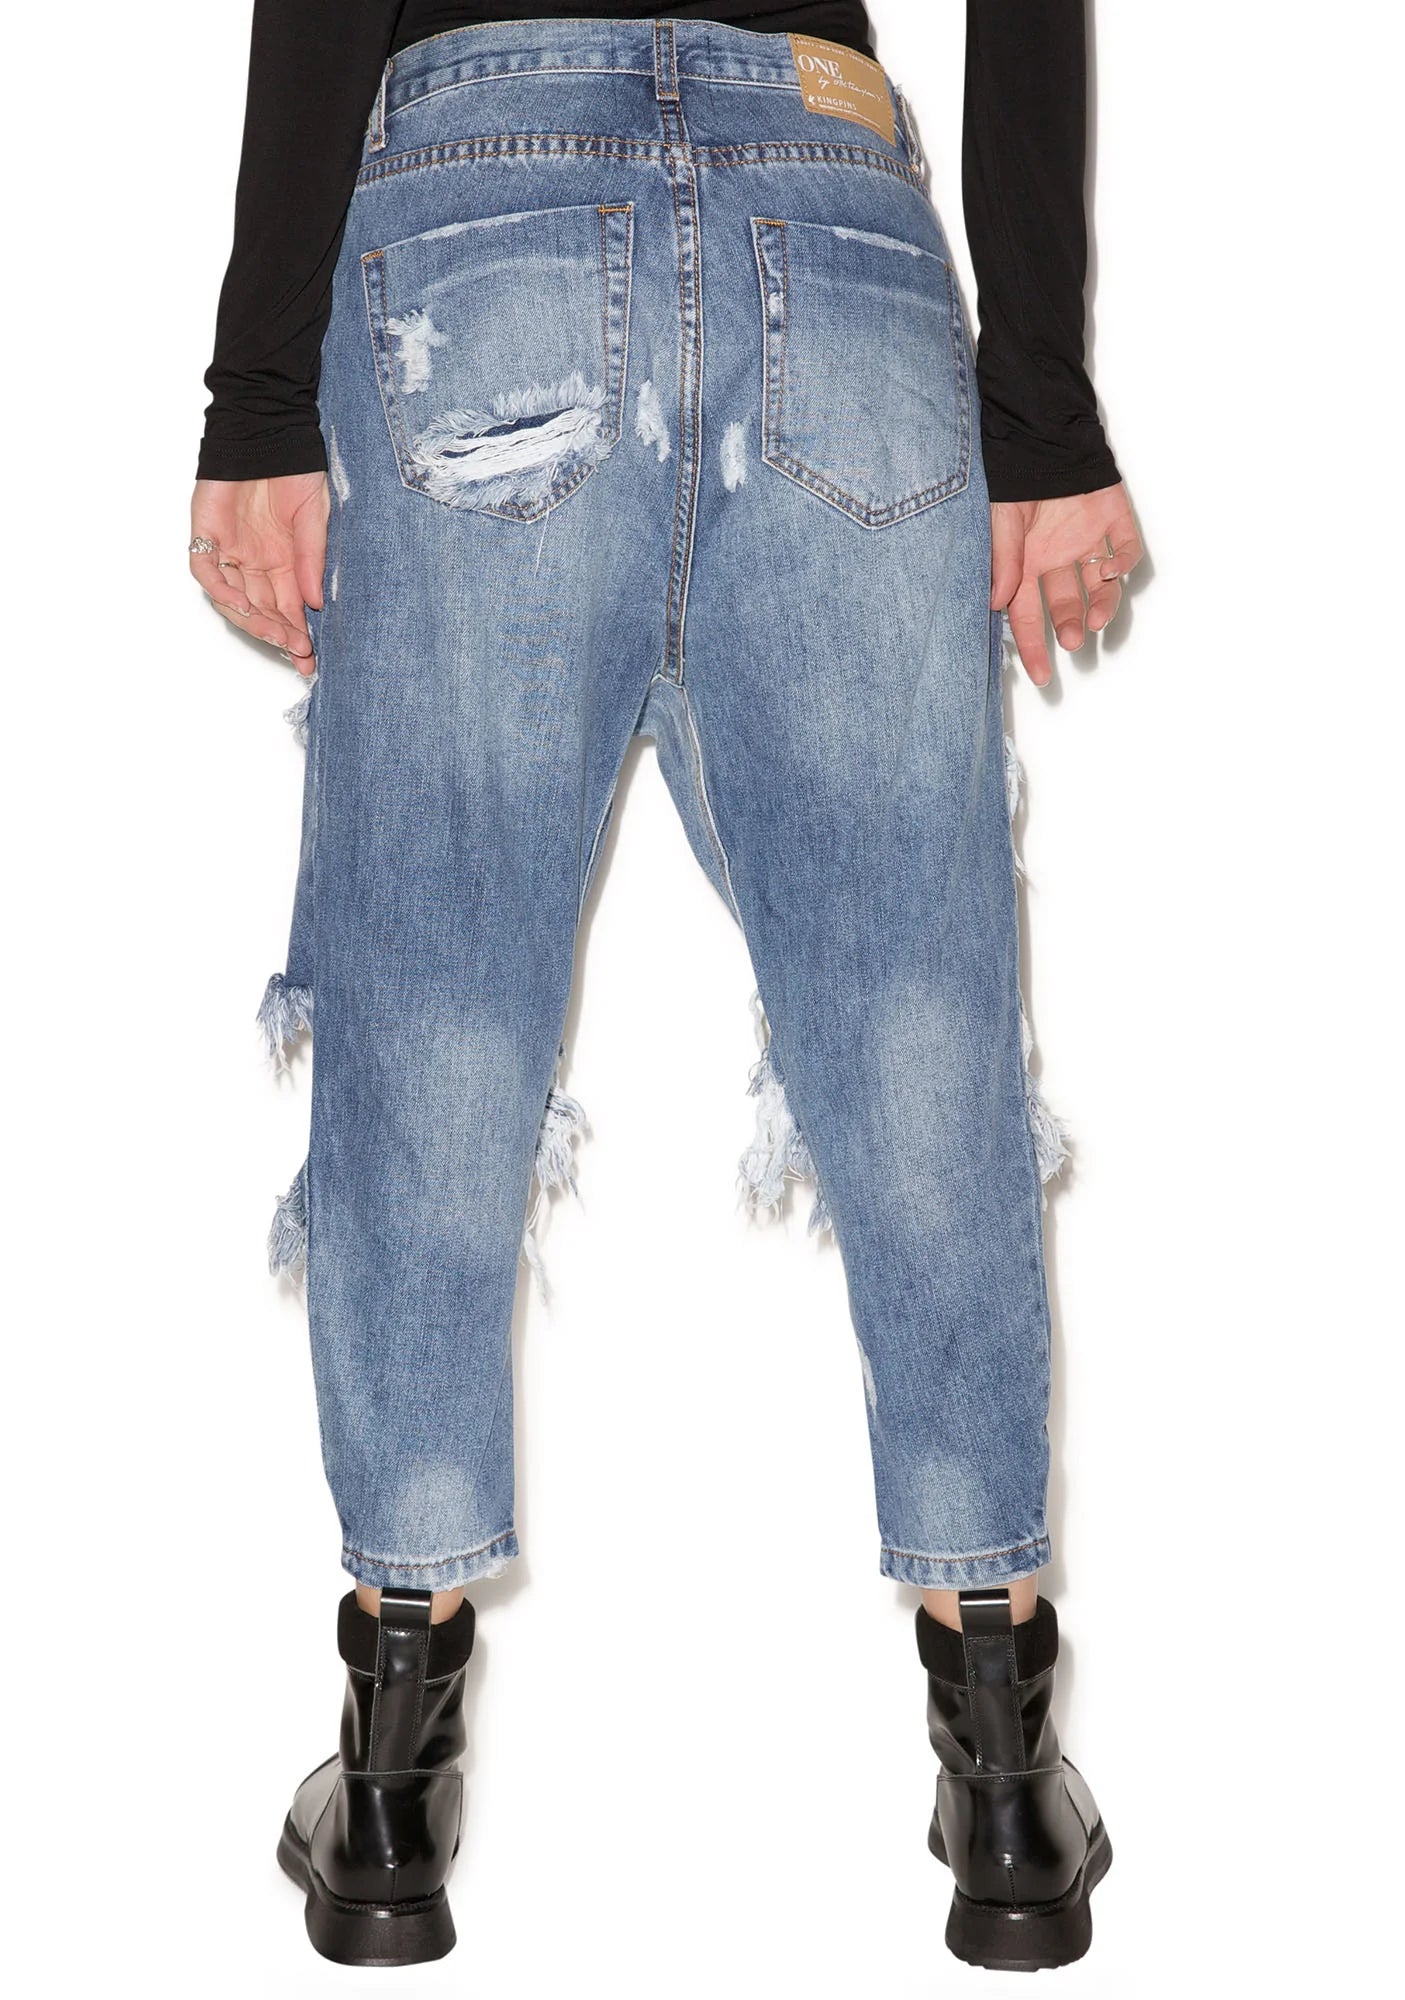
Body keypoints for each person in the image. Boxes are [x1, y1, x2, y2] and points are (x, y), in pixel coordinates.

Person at [189, 1, 1143, 1973]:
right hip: (830, 209)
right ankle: (1001, 1767)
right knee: (916, 1009)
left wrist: (258, 390)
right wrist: (1042, 408)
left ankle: (390, 1773)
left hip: (481, 213)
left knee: (432, 999)